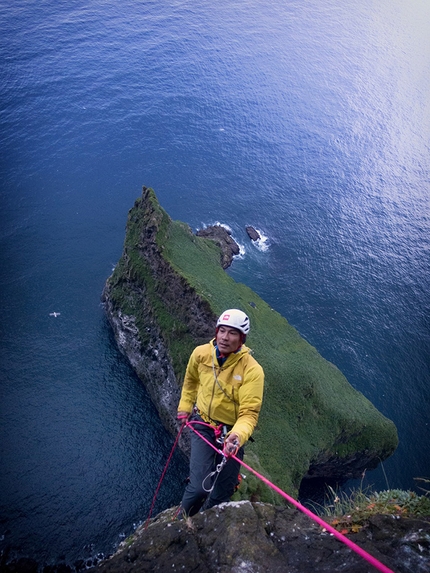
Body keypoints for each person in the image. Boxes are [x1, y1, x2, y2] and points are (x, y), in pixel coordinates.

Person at [177, 308, 265, 517]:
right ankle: (181, 523)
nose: (225, 337)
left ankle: (204, 521)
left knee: (223, 491)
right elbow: (191, 382)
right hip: (203, 425)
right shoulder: (201, 354)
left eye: (232, 333)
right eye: (222, 331)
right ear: (216, 332)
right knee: (199, 488)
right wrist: (185, 407)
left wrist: (237, 436)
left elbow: (249, 414)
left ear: (241, 339)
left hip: (231, 433)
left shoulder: (252, 371)